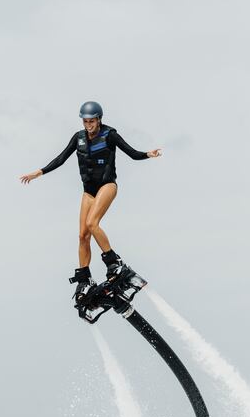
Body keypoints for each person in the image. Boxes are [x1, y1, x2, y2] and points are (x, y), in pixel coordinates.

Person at [20, 101, 162, 302]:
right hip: (88, 192)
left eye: (92, 121)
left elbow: (132, 154)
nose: (89, 125)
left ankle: (114, 263)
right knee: (82, 235)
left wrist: (149, 154)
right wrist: (39, 172)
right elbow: (61, 158)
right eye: (85, 121)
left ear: (99, 119)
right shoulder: (78, 138)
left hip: (107, 186)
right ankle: (84, 279)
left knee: (92, 223)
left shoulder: (109, 134)